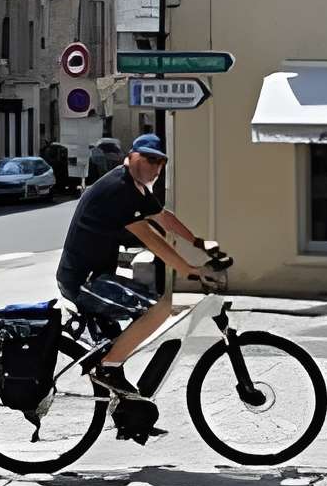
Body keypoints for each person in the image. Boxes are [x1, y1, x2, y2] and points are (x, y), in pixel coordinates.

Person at [51, 133, 226, 408]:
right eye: (148, 160)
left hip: (95, 277)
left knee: (133, 326)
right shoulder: (118, 189)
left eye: (159, 163)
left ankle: (125, 408)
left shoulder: (136, 188)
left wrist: (198, 242)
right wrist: (189, 269)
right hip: (84, 281)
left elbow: (163, 218)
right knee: (162, 306)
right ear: (131, 157)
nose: (154, 168)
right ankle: (107, 369)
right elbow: (149, 236)